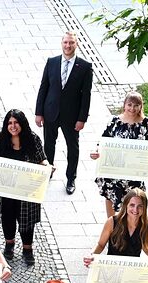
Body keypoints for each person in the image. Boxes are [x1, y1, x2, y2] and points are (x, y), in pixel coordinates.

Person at [0, 109, 54, 266]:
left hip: (26, 190)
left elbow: (42, 159)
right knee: (7, 218)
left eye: (16, 122)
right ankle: (9, 244)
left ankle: (27, 249)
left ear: (22, 123)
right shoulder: (1, 138)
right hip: (5, 191)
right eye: (10, 123)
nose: (13, 126)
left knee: (27, 221)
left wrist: (47, 166)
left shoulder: (33, 139)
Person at [35, 31, 93, 195]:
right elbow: (43, 87)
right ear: (62, 43)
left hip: (71, 116)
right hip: (50, 112)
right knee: (48, 145)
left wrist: (82, 118)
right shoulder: (51, 62)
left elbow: (86, 95)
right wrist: (39, 112)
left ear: (77, 44)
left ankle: (71, 178)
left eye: (71, 43)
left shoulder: (85, 67)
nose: (68, 46)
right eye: (65, 43)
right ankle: (48, 171)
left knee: (72, 148)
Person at [91, 91, 148, 217]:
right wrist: (96, 152)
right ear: (124, 105)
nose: (132, 108)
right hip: (114, 171)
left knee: (134, 200)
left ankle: (130, 227)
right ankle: (111, 225)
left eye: (136, 105)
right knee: (110, 196)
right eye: (129, 105)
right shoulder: (115, 121)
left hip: (133, 172)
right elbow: (103, 141)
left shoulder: (146, 123)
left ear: (141, 106)